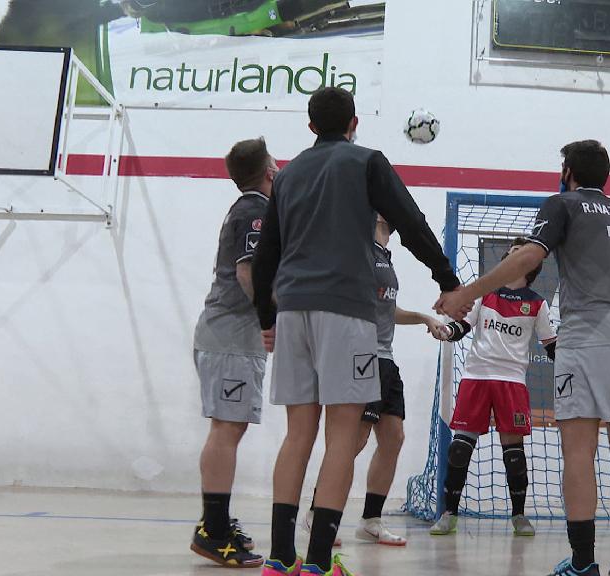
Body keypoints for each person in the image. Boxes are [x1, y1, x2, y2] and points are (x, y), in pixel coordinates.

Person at [435, 140, 610, 576]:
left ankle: (584, 563)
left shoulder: (563, 204)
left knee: (579, 451)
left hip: (587, 334)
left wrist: (467, 293)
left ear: (568, 170)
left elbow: (529, 256)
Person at [252, 87, 461, 576]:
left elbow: (268, 254)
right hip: (346, 312)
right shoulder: (367, 161)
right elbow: (410, 220)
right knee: (343, 436)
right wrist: (447, 279)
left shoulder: (287, 175)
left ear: (310, 128)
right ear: (354, 122)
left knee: (297, 435)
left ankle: (280, 557)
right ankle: (320, 562)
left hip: (293, 311)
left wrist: (266, 317)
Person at [428, 237, 557, 538]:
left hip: (511, 381)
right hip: (477, 376)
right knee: (459, 448)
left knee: (513, 451)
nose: (510, 258)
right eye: (509, 254)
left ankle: (519, 516)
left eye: (517, 255)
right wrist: (446, 331)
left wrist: (574, 358)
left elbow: (551, 345)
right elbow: (462, 327)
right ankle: (450, 513)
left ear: (530, 265)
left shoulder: (537, 303)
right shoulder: (484, 295)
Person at [189, 138, 278, 568]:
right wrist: (268, 320)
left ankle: (216, 521)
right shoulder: (254, 210)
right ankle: (213, 528)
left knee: (231, 428)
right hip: (229, 337)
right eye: (275, 163)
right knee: (226, 428)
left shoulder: (253, 209)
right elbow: (248, 272)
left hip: (231, 339)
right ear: (269, 172)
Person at [353, 214, 449, 546]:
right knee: (353, 440)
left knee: (393, 438)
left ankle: (371, 518)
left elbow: (387, 310)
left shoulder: (385, 258)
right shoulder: (360, 251)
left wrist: (424, 317)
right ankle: (318, 513)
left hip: (386, 360)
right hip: (364, 358)